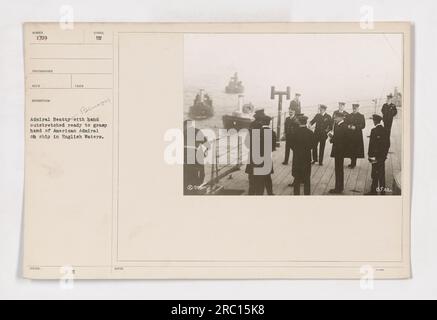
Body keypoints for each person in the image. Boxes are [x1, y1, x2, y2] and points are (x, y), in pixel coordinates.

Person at [245, 109, 276, 195]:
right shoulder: (271, 132)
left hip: (253, 157)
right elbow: (272, 147)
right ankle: (269, 193)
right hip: (265, 158)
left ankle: (251, 195)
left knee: (252, 179)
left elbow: (247, 143)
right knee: (266, 178)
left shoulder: (252, 127)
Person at [366, 114, 390, 195]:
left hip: (374, 157)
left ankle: (373, 191)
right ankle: (383, 192)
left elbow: (371, 145)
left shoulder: (373, 131)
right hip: (382, 157)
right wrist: (384, 155)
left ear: (375, 121)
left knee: (374, 174)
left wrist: (370, 155)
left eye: (373, 120)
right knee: (381, 174)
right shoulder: (385, 130)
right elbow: (388, 144)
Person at [292, 115, 315, 195]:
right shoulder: (310, 133)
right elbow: (313, 145)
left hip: (297, 158)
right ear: (306, 122)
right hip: (306, 158)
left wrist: (296, 150)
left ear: (299, 122)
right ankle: (307, 195)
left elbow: (291, 145)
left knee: (297, 178)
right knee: (306, 178)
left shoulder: (294, 132)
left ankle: (296, 194)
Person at [183, 120, 208, 195]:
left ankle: (188, 189)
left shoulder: (181, 133)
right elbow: (206, 143)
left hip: (186, 159)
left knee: (187, 175)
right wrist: (205, 151)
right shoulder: (197, 131)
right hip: (196, 157)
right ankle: (195, 187)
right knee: (197, 175)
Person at [328, 112, 348, 194]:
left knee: (339, 169)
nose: (334, 119)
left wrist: (331, 138)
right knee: (338, 169)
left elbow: (339, 138)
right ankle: (339, 187)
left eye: (335, 118)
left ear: (340, 118)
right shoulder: (337, 125)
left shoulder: (343, 126)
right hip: (338, 150)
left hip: (340, 151)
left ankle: (338, 188)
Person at [346, 104, 366, 169]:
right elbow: (346, 123)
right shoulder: (349, 115)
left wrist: (356, 127)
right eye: (353, 108)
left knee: (355, 149)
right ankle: (352, 162)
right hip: (350, 135)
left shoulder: (361, 116)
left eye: (356, 108)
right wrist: (348, 126)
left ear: (358, 109)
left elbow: (363, 125)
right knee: (350, 149)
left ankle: (353, 163)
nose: (354, 110)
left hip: (357, 135)